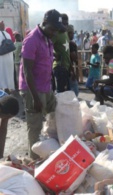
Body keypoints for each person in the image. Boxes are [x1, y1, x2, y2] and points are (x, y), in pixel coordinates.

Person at [19, 9, 65, 159]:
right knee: (35, 126)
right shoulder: (32, 39)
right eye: (52, 29)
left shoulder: (47, 38)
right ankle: (34, 160)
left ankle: (48, 149)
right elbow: (27, 71)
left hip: (45, 87)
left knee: (55, 113)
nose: (54, 33)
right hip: (32, 89)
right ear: (44, 23)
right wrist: (35, 98)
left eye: (56, 30)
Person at [52, 13, 71, 93]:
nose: (65, 26)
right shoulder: (56, 34)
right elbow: (47, 47)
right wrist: (55, 55)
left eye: (66, 24)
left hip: (66, 67)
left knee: (66, 92)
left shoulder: (65, 33)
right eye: (63, 24)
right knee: (60, 93)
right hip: (59, 67)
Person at [0, 90, 19, 158]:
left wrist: (1, 157)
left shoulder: (6, 102)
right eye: (7, 117)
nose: (7, 119)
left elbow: (3, 130)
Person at [0, 21, 15, 93]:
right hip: (9, 60)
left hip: (1, 60)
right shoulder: (8, 34)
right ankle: (8, 90)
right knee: (8, 75)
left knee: (2, 75)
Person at [67, 24, 79, 96]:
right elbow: (74, 58)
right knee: (75, 91)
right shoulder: (71, 44)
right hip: (69, 70)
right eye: (72, 33)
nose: (73, 35)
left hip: (65, 69)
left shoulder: (63, 42)